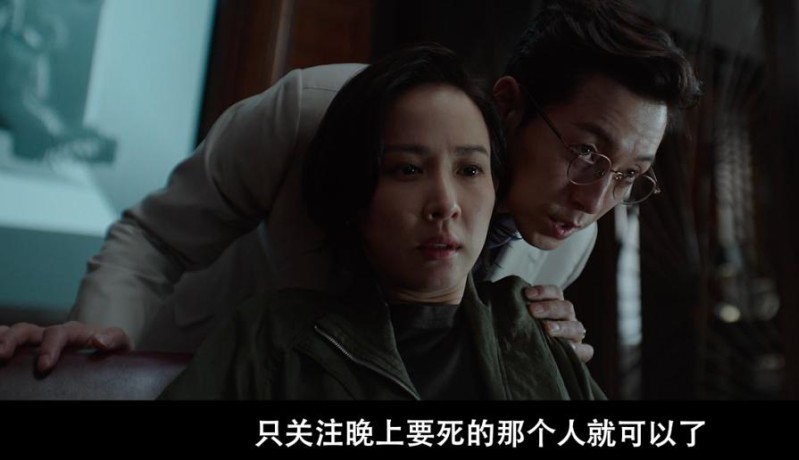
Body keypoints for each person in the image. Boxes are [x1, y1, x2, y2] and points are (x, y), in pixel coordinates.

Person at [0, 0, 699, 371]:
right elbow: (156, 240)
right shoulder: (311, 111)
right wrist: (99, 357)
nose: (594, 201)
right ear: (510, 103)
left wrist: (539, 359)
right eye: (586, 153)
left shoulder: (566, 244)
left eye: (630, 177)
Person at [160, 44, 603, 400]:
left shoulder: (531, 327)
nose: (445, 204)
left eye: (470, 170)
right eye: (407, 170)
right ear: (354, 195)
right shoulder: (271, 336)